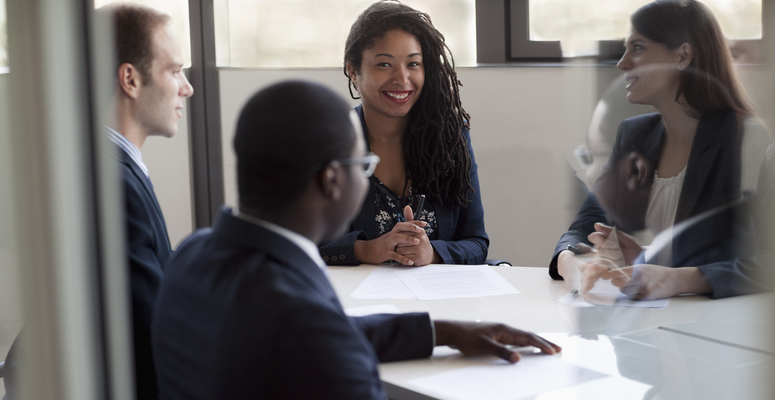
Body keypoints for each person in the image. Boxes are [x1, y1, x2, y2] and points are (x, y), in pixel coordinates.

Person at [151, 81, 560, 399]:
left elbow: (328, 332)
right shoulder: (301, 324)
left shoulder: (191, 253)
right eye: (363, 165)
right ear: (331, 179)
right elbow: (318, 337)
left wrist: (446, 332)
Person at [549, 0, 773, 300]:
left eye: (638, 48)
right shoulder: (634, 136)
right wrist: (573, 264)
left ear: (682, 55)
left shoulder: (747, 141)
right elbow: (583, 227)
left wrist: (680, 278)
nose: (623, 62)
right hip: (651, 327)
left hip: (718, 327)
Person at [319, 0, 488, 266]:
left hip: (438, 300)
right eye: (384, 64)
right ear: (353, 70)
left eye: (413, 64)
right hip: (355, 301)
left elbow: (477, 243)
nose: (402, 78)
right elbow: (302, 244)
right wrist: (364, 250)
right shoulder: (328, 142)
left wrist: (432, 253)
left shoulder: (451, 139)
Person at [101, 4, 193, 399]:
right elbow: (150, 335)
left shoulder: (113, 166)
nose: (186, 87)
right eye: (174, 71)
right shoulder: (115, 186)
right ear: (130, 79)